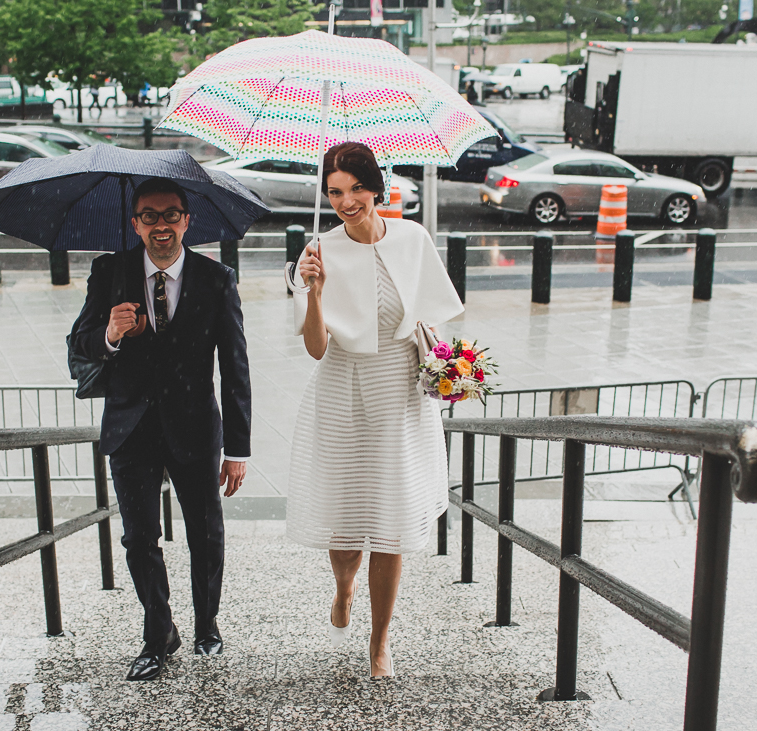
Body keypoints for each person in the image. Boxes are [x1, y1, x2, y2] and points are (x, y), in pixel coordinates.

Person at [288, 142, 463, 678]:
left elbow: (434, 317)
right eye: (335, 192)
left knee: (391, 523)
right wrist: (312, 291)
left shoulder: (413, 238)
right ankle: (344, 588)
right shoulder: (318, 252)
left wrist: (451, 369)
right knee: (346, 530)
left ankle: (379, 641)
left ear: (376, 188)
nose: (345, 202)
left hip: (400, 396)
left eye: (356, 189)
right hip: (343, 394)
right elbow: (316, 347)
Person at [68, 177, 251, 682]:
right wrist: (110, 332)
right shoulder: (110, 271)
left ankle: (206, 624)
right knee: (138, 538)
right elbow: (80, 342)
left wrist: (237, 449)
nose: (161, 226)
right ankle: (158, 633)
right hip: (130, 427)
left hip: (195, 428)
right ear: (135, 223)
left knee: (206, 533)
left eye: (171, 215)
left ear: (187, 221)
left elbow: (236, 368)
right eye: (149, 216)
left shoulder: (217, 279)